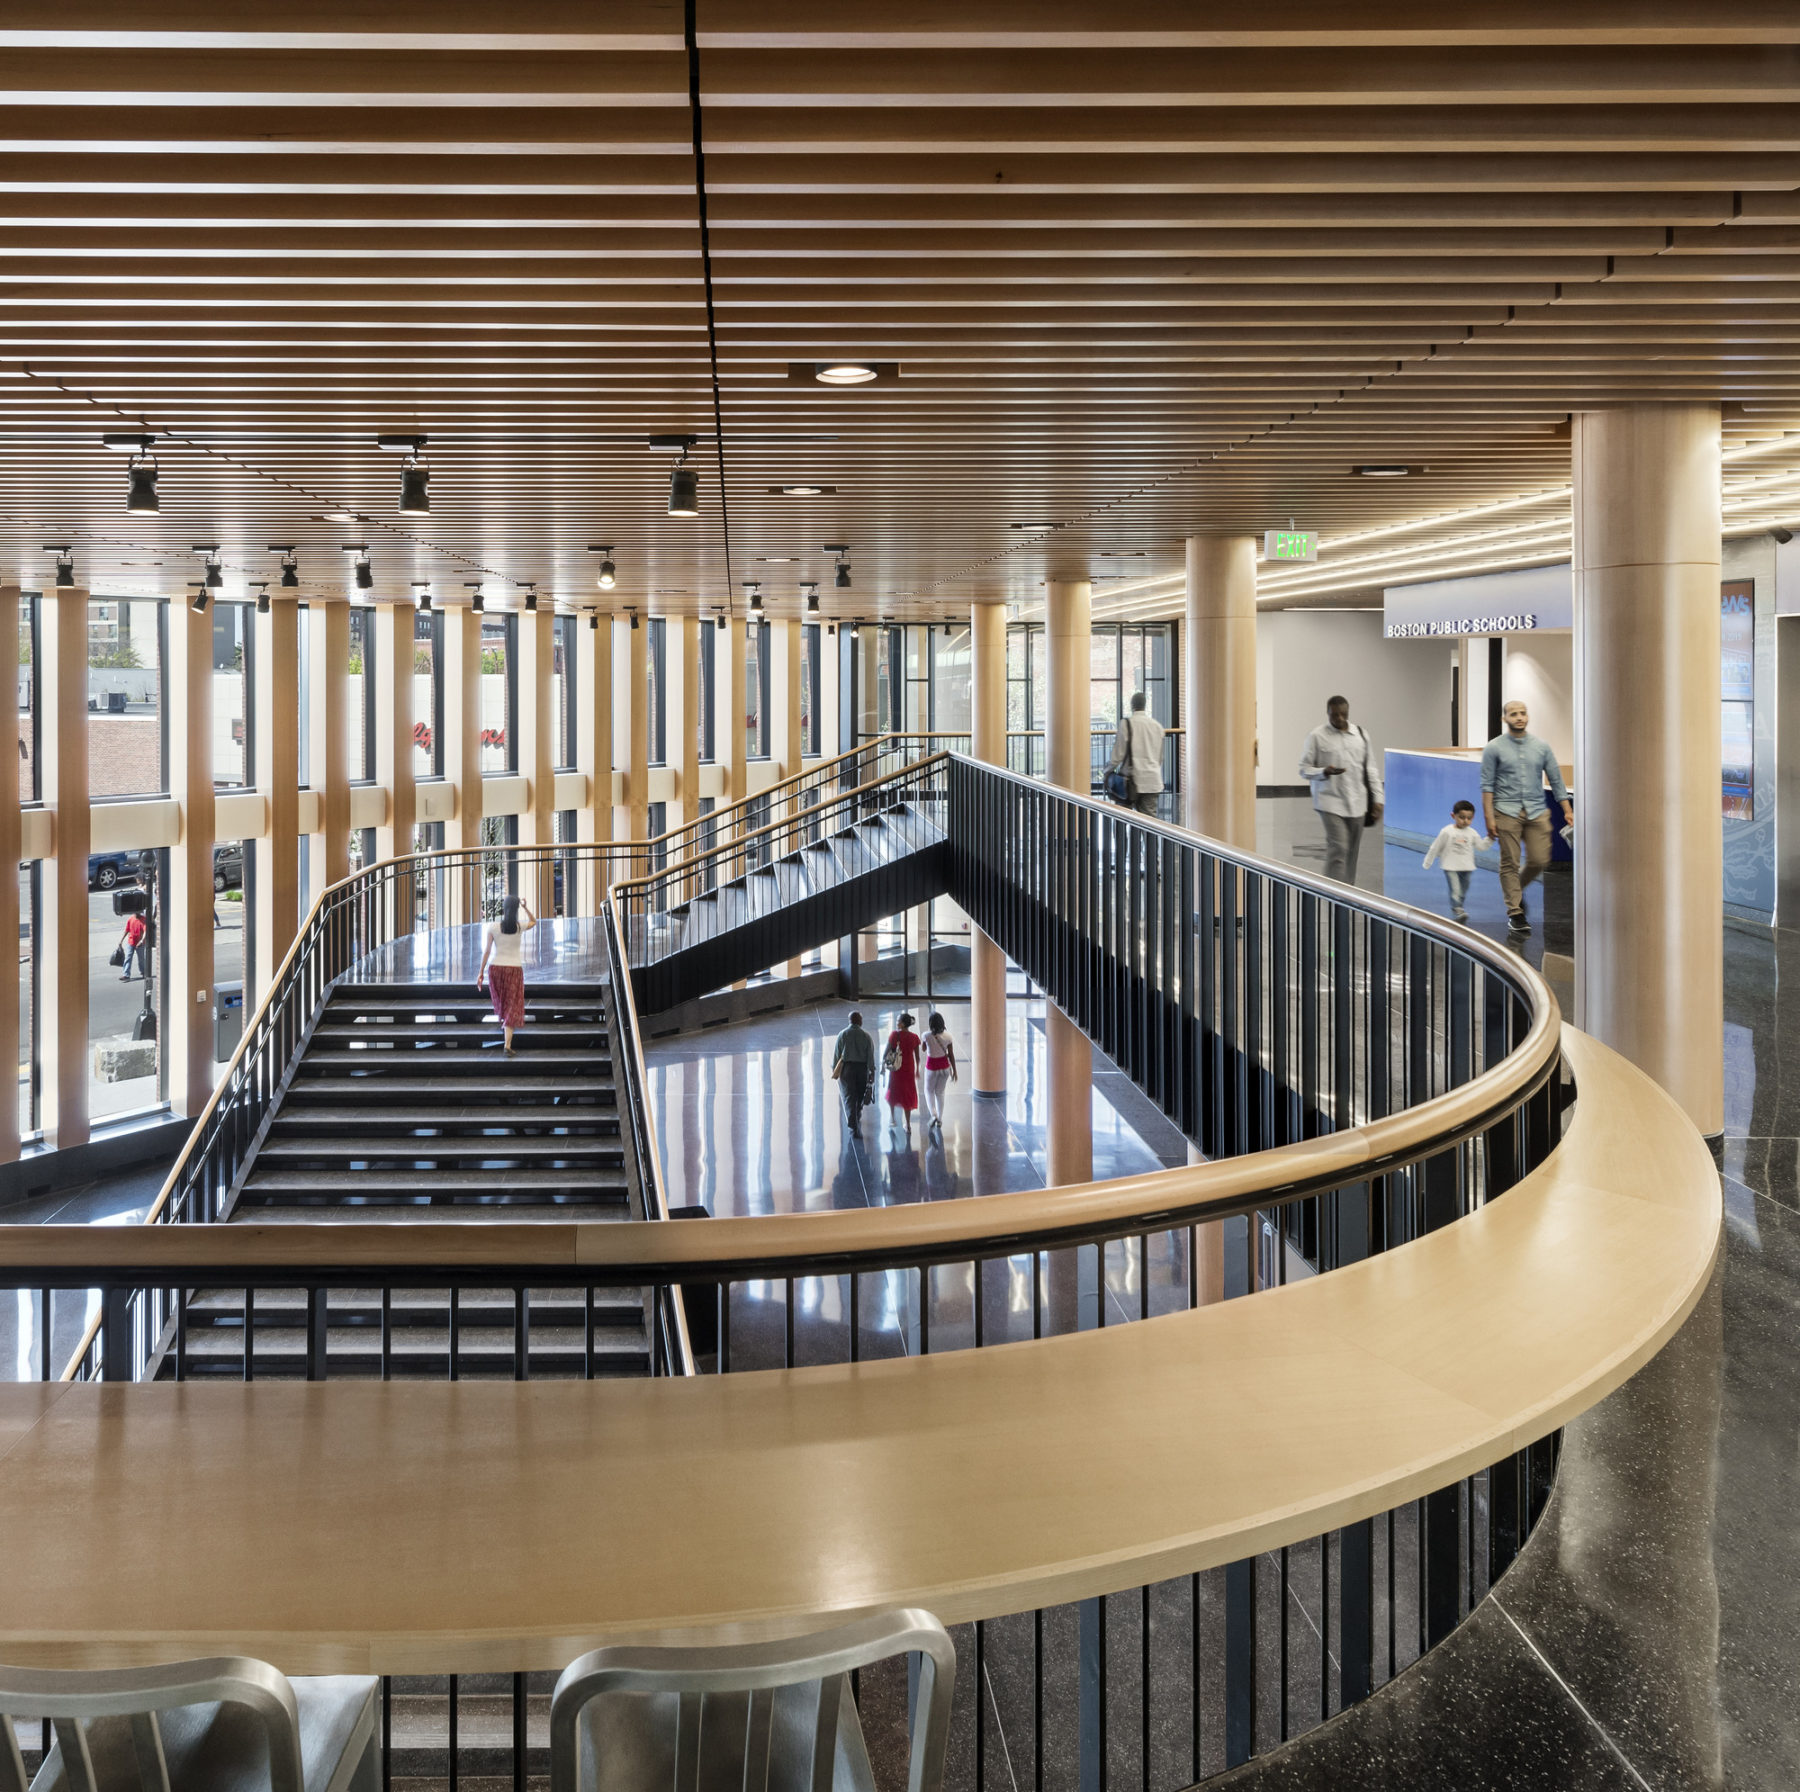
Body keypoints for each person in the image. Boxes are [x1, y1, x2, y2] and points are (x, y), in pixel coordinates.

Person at [1480, 699, 1574, 933]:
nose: (1519, 717)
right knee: (1509, 862)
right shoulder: (1494, 748)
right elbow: (1487, 785)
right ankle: (1515, 911)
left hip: (1536, 810)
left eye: (1522, 713)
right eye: (1513, 714)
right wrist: (1489, 817)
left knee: (1540, 860)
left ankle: (1516, 889)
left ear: (1527, 716)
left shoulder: (1541, 747)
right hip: (1505, 811)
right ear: (1505, 719)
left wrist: (1567, 809)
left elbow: (1555, 778)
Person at [1298, 695, 1383, 885]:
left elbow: (1370, 768)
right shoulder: (1317, 736)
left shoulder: (1361, 735)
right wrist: (1323, 771)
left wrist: (1378, 798)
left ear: (1348, 712)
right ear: (1327, 713)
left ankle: (1348, 892)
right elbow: (1304, 769)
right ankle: (1333, 892)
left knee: (1351, 852)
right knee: (1339, 847)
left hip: (1357, 802)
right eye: (1334, 715)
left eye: (1343, 714)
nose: (1339, 719)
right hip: (1329, 801)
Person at [475, 892, 536, 1056]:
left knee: (502, 1002)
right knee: (512, 1005)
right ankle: (507, 1044)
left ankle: (504, 1028)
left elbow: (487, 951)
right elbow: (534, 921)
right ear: (516, 909)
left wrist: (480, 972)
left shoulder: (493, 927)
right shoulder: (518, 926)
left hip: (496, 969)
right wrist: (525, 907)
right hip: (514, 969)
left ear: (503, 908)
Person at [1422, 800, 1483, 923]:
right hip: (1450, 865)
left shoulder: (1472, 833)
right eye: (1461, 817)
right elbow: (1435, 847)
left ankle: (1459, 905)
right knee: (1455, 888)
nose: (1465, 821)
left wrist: (1491, 838)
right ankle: (1457, 908)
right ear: (1453, 816)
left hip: (1467, 866)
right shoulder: (1447, 831)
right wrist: (1428, 861)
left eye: (1469, 818)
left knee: (1464, 888)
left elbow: (1481, 846)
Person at [1107, 691, 1166, 817]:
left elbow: (1118, 755)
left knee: (1122, 820)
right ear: (1145, 705)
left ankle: (1125, 838)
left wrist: (1108, 770)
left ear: (1132, 706)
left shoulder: (1126, 724)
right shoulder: (1157, 727)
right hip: (1152, 781)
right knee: (1149, 823)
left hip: (1130, 781)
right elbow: (1160, 758)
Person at [830, 1009, 876, 1129]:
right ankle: (857, 1112)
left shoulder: (842, 1034)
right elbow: (870, 1056)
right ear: (860, 1021)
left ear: (850, 1021)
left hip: (847, 1069)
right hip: (862, 1070)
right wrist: (872, 1072)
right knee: (860, 1094)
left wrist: (835, 1069)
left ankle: (852, 1117)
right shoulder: (866, 1036)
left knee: (849, 1095)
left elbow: (837, 1054)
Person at [883, 1010, 923, 1140]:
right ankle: (908, 1124)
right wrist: (917, 1070)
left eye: (898, 1021)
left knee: (893, 1091)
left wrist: (884, 1064)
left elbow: (887, 1051)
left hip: (896, 1068)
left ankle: (893, 1118)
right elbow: (917, 1057)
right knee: (907, 1094)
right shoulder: (914, 1037)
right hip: (908, 1068)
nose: (896, 1022)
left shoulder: (894, 1035)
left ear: (903, 1024)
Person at [921, 1012, 958, 1132]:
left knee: (928, 1091)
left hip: (931, 1067)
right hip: (945, 1068)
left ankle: (934, 1115)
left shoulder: (926, 1035)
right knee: (940, 1093)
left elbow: (923, 1049)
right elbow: (951, 1054)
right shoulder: (948, 1036)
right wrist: (955, 1071)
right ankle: (940, 1120)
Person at [118, 909, 147, 982]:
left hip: (139, 943)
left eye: (139, 912)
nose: (138, 913)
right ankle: (126, 975)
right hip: (131, 942)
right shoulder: (130, 919)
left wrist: (142, 940)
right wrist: (121, 940)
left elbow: (145, 932)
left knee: (141, 959)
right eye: (136, 912)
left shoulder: (143, 919)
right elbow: (127, 930)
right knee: (128, 958)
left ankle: (143, 972)